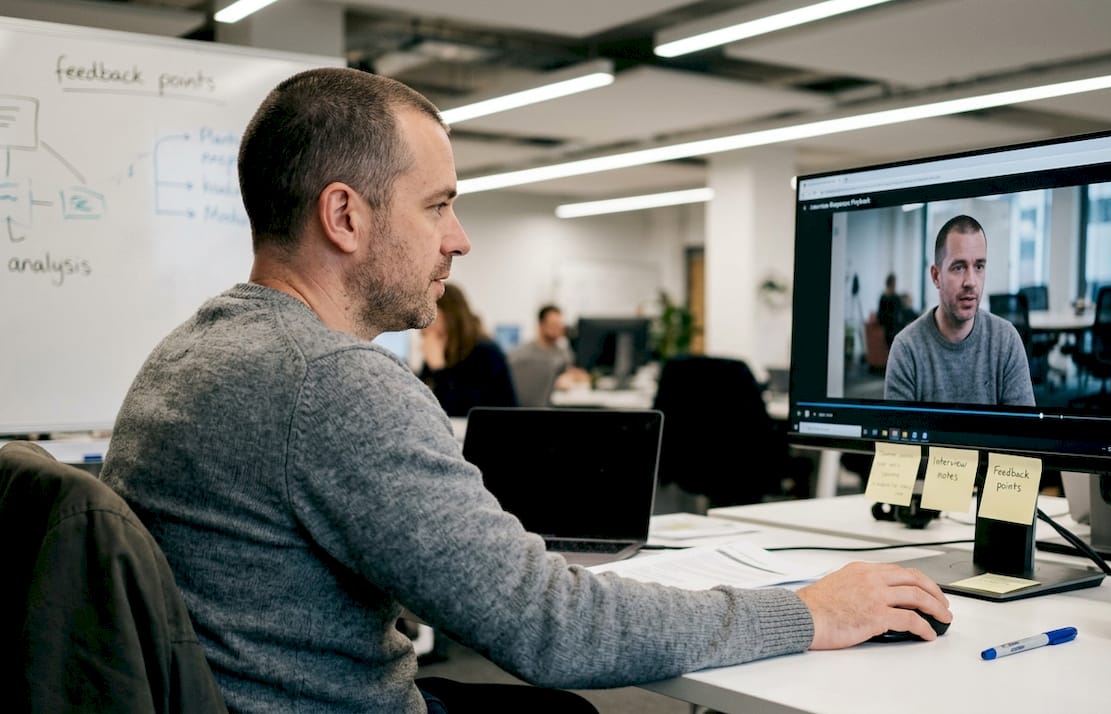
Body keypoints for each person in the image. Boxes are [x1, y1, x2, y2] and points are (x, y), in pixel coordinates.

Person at [100, 66, 951, 713]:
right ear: (345, 216)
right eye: (438, 206)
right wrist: (805, 612)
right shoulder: (332, 384)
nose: (459, 240)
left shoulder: (190, 352)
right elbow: (552, 628)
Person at [884, 214, 1035, 406]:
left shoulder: (1006, 341)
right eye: (958, 267)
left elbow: (1021, 432)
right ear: (936, 276)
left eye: (979, 266)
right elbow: (897, 433)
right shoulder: (907, 349)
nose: (971, 282)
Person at [416, 283, 517, 417]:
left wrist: (438, 369)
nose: (422, 319)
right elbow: (421, 404)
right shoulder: (440, 351)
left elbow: (461, 410)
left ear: (448, 314)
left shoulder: (484, 353)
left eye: (429, 309)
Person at [507, 304, 591, 391]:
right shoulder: (520, 354)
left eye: (560, 324)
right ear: (541, 325)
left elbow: (573, 374)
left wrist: (573, 377)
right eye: (554, 324)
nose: (559, 328)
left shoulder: (564, 354)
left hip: (557, 400)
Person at [876, 272, 916, 349]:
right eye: (894, 284)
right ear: (890, 284)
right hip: (891, 329)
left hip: (895, 327)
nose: (895, 286)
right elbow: (881, 317)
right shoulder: (886, 298)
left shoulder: (895, 297)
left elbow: (902, 311)